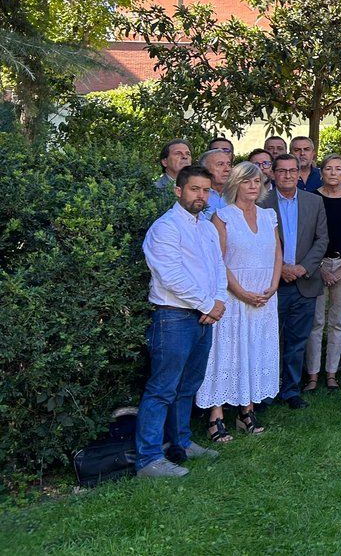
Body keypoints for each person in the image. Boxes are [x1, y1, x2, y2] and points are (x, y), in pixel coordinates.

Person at [134, 165, 226, 479]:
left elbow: (218, 269)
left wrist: (218, 302)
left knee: (187, 387)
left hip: (203, 318)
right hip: (173, 317)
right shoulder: (166, 227)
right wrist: (207, 304)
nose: (201, 195)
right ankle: (148, 460)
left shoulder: (208, 228)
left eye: (205, 190)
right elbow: (171, 276)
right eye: (194, 189)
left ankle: (181, 444)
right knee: (162, 389)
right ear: (178, 191)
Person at [197, 161, 282, 438]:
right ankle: (216, 417)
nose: (253, 186)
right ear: (235, 184)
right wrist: (241, 292)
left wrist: (272, 285)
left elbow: (277, 254)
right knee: (226, 352)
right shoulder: (222, 217)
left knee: (255, 350)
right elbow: (218, 261)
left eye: (257, 181)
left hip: (265, 296)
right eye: (247, 181)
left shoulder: (269, 216)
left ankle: (247, 412)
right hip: (234, 297)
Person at [261, 153, 329, 409]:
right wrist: (281, 270)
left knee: (297, 340)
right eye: (282, 171)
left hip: (305, 281)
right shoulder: (261, 203)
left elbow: (322, 240)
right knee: (269, 339)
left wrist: (302, 268)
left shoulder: (314, 202)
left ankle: (290, 391)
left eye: (293, 170)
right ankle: (266, 390)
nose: (288, 175)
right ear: (273, 174)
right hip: (272, 283)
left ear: (299, 173)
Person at [304, 155, 341, 392]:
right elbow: (306, 237)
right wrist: (320, 268)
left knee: (338, 322)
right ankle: (312, 375)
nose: (333, 173)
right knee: (316, 323)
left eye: (338, 169)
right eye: (328, 168)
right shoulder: (311, 199)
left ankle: (332, 373)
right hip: (316, 266)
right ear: (322, 171)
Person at [198, 149, 232, 220]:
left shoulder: (237, 193)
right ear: (204, 169)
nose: (227, 169)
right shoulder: (196, 195)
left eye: (229, 164)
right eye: (220, 164)